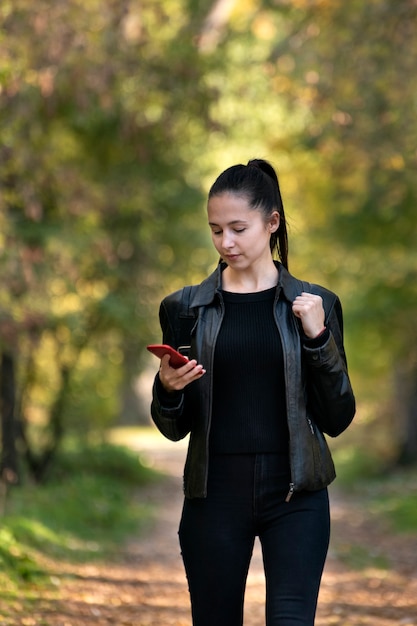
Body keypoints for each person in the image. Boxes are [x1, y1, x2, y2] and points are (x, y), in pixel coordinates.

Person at [150, 159, 355, 626]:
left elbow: (339, 416)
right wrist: (167, 390)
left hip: (296, 495)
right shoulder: (184, 309)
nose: (227, 242)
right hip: (213, 496)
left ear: (272, 222)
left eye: (238, 228)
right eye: (216, 230)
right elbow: (172, 428)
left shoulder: (315, 304)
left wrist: (318, 340)